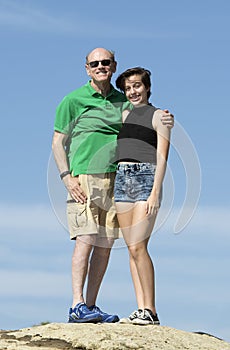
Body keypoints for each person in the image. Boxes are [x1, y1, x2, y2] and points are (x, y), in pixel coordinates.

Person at [52, 47, 174, 324]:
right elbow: (57, 142)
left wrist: (166, 119)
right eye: (94, 63)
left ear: (113, 65)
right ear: (87, 68)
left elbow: (149, 118)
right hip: (84, 177)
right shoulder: (72, 100)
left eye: (105, 62)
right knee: (85, 240)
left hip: (117, 179)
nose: (100, 66)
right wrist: (66, 176)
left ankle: (92, 306)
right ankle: (77, 304)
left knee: (107, 244)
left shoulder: (123, 102)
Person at [114, 67, 171, 325]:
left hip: (145, 178)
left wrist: (155, 192)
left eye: (137, 86)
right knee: (130, 249)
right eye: (128, 88)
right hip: (121, 179)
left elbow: (162, 156)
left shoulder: (159, 116)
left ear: (147, 87)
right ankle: (141, 308)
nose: (132, 91)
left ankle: (152, 310)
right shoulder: (124, 114)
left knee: (139, 245)